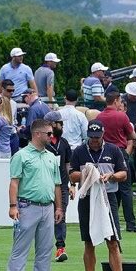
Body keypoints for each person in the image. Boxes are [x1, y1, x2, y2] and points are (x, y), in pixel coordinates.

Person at [69, 119, 135, 271]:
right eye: (92, 137)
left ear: (103, 134)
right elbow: (72, 175)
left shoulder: (113, 150)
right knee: (89, 242)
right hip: (87, 199)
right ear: (87, 135)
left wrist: (111, 176)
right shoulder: (80, 151)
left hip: (108, 198)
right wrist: (87, 173)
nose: (95, 140)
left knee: (112, 241)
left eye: (97, 137)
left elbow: (124, 173)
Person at [0, 119, 63, 271]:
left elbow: (57, 184)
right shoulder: (21, 155)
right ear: (37, 134)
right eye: (49, 133)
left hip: (48, 207)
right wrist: (13, 206)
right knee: (20, 248)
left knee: (45, 248)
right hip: (27, 206)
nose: (52, 137)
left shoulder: (51, 156)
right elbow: (14, 182)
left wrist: (59, 208)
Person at [97, 92, 136, 232]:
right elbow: (132, 135)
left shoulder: (99, 116)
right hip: (120, 151)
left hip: (104, 153)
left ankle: (109, 221)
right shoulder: (121, 116)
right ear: (116, 101)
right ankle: (130, 222)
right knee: (125, 189)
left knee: (109, 188)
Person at [44, 111, 75, 262]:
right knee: (44, 217)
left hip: (62, 185)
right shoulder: (43, 142)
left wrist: (72, 184)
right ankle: (43, 247)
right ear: (51, 124)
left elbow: (68, 164)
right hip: (45, 185)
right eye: (59, 123)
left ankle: (60, 247)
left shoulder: (64, 143)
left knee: (60, 215)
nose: (62, 126)